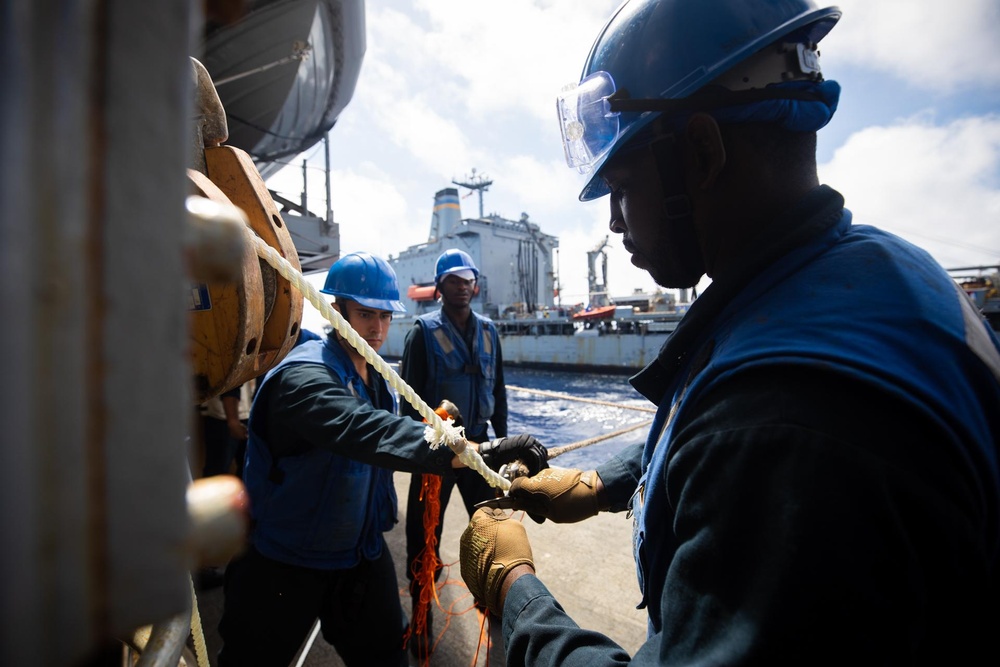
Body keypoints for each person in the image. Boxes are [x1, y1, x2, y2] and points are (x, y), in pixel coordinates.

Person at [459, 1, 1000, 664]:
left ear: (702, 152)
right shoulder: (882, 273)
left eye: (623, 187)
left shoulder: (779, 427)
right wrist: (599, 484)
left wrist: (514, 587)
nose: (617, 224)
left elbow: (751, 445)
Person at [217, 252, 547, 667]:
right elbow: (366, 429)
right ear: (335, 310)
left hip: (359, 556)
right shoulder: (302, 376)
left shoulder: (378, 377)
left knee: (388, 654)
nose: (376, 328)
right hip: (284, 561)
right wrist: (478, 451)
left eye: (385, 316)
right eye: (365, 314)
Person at [399, 249, 510, 658]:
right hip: (436, 456)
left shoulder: (490, 331)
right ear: (440, 287)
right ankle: (421, 614)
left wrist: (502, 445)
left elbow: (497, 390)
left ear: (474, 286)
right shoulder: (422, 332)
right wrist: (412, 452)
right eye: (454, 281)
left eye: (468, 281)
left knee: (493, 533)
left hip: (478, 451)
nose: (463, 287)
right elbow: (409, 401)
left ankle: (493, 604)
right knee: (424, 537)